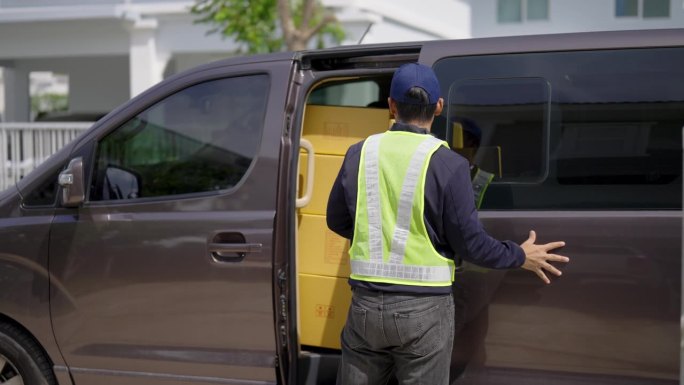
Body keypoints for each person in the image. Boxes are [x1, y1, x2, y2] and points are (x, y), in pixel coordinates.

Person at [326, 63, 569, 385]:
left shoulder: (359, 153)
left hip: (365, 306)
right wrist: (520, 255)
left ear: (391, 105)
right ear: (439, 107)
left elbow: (337, 220)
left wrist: (378, 236)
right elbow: (470, 243)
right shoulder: (449, 164)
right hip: (424, 311)